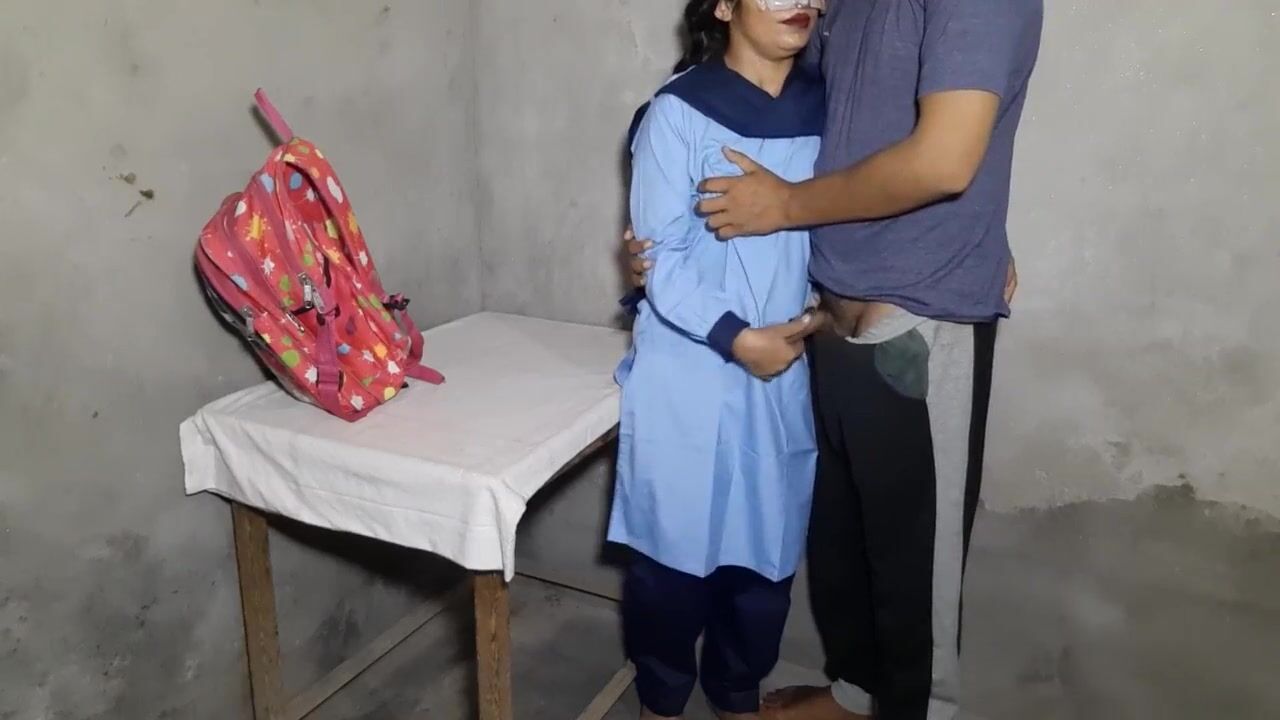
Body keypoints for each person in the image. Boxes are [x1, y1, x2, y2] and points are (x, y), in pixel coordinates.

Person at [623, 1, 1044, 718]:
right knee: (831, 552)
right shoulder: (825, 18)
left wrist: (785, 209)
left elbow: (946, 159)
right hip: (819, 326)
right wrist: (655, 241)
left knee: (895, 573)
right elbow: (823, 115)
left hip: (906, 319)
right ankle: (846, 695)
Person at [608, 1, 831, 718]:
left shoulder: (833, 107)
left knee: (763, 565)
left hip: (784, 368)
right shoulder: (678, 111)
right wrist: (737, 337)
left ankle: (737, 693)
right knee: (670, 566)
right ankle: (662, 697)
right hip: (689, 367)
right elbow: (661, 258)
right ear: (725, 6)